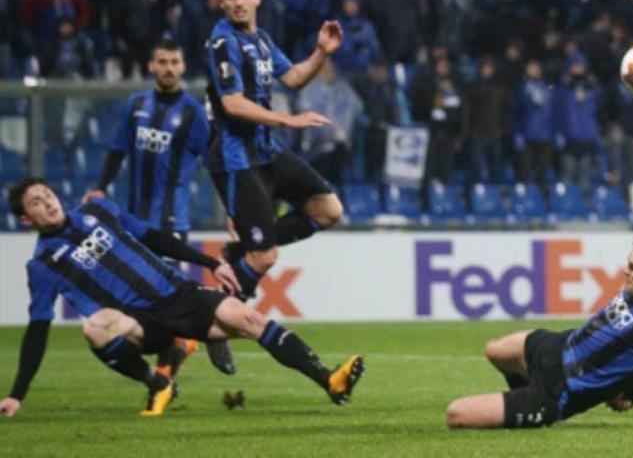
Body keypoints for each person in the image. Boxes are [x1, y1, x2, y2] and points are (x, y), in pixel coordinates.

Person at [0, 179, 364, 418]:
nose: (47, 202)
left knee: (249, 319)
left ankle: (330, 381)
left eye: (47, 194)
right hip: (141, 323)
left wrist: (211, 263)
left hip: (179, 294)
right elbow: (38, 329)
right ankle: (158, 383)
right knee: (95, 327)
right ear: (25, 219)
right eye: (35, 202)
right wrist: (17, 394)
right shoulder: (42, 265)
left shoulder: (98, 211)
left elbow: (154, 237)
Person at [445, 236, 633, 434]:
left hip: (561, 389)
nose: (625, 271)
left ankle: (533, 408)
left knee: (456, 414)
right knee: (495, 350)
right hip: (558, 345)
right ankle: (521, 400)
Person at [81, 39, 235, 377]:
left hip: (171, 217)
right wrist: (100, 187)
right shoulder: (136, 105)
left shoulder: (194, 113)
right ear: (151, 66)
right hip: (134, 220)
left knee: (167, 295)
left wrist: (231, 208)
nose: (168, 68)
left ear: (183, 67)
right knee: (148, 295)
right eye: (162, 61)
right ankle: (195, 339)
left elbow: (215, 164)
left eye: (174, 62)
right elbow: (117, 150)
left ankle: (194, 348)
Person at [204, 0, 344, 301]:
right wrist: (287, 120)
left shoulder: (262, 40)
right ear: (221, 3)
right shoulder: (223, 42)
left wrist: (321, 51)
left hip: (265, 149)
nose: (238, 3)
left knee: (329, 209)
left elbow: (294, 77)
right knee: (265, 257)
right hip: (236, 156)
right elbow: (233, 103)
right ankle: (217, 315)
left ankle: (242, 249)